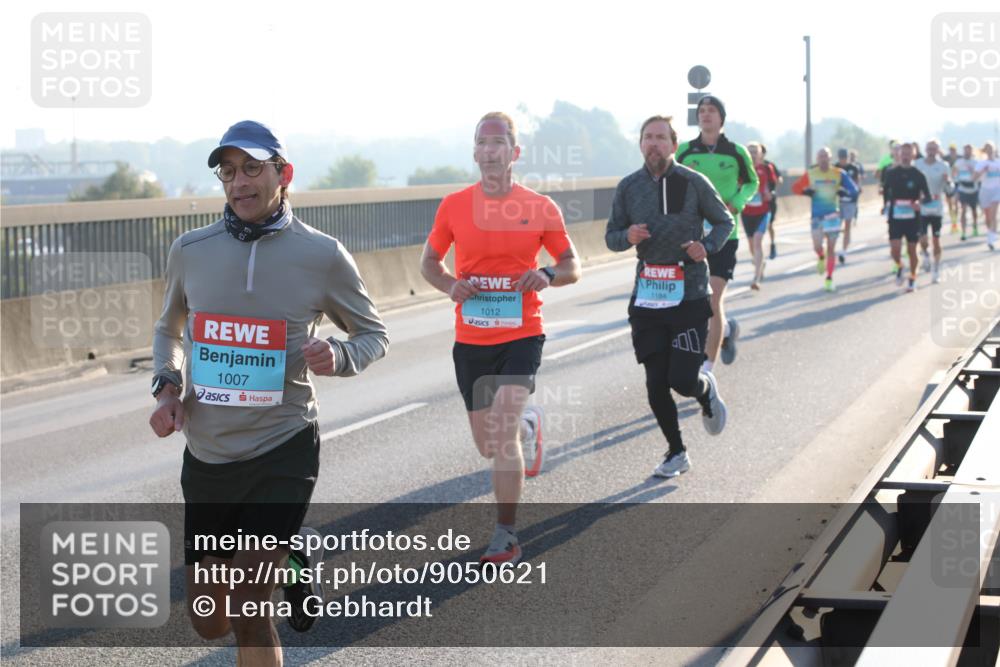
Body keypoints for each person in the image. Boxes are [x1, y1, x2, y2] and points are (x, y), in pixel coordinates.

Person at [150, 120, 389, 665]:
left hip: (283, 446)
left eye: (252, 168)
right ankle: (294, 557)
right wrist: (167, 387)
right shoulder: (191, 250)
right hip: (209, 455)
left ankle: (279, 556)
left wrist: (339, 356)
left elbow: (374, 334)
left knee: (248, 608)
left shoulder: (322, 254)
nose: (239, 182)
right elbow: (169, 329)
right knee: (209, 620)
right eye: (228, 171)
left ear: (284, 174)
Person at [420, 112, 581, 564]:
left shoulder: (540, 206)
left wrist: (547, 274)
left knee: (502, 434)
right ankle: (529, 425)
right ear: (475, 153)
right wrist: (451, 285)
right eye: (482, 142)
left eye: (498, 142)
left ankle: (506, 534)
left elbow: (572, 265)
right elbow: (429, 263)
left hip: (522, 333)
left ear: (515, 152)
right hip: (472, 339)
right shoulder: (454, 206)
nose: (489, 150)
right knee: (488, 445)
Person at [605, 115, 730, 478]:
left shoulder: (692, 182)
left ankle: (705, 391)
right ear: (640, 144)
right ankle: (677, 452)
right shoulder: (629, 187)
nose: (654, 143)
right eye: (648, 137)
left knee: (682, 380)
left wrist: (706, 247)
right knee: (655, 380)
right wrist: (627, 236)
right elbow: (611, 237)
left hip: (688, 295)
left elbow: (724, 222)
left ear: (674, 145)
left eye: (661, 137)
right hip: (648, 297)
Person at [676, 96, 758, 369]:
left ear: (721, 118)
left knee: (713, 299)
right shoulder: (685, 151)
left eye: (711, 110)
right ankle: (726, 331)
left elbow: (752, 182)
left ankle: (707, 369)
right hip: (692, 236)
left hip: (724, 235)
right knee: (693, 302)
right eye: (701, 111)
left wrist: (737, 201)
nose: (705, 114)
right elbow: (670, 183)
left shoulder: (736, 152)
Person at [792, 147, 859, 292]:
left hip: (833, 216)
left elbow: (854, 190)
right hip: (816, 216)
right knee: (817, 246)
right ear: (817, 159)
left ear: (830, 158)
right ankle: (821, 256)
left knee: (831, 249)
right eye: (820, 156)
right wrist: (806, 192)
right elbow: (795, 188)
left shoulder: (838, 173)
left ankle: (829, 278)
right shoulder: (811, 173)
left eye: (825, 156)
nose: (823, 159)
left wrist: (844, 192)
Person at [882, 142, 932, 292]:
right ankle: (899, 265)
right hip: (895, 217)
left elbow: (928, 196)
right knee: (895, 250)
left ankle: (913, 278)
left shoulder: (919, 175)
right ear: (899, 155)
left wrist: (919, 202)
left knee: (912, 250)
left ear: (913, 155)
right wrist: (885, 205)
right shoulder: (891, 173)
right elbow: (885, 192)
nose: (905, 156)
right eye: (903, 153)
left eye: (908, 154)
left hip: (913, 218)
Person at [913, 139, 951, 282]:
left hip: (936, 206)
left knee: (936, 240)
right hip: (922, 206)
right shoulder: (917, 164)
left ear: (938, 150)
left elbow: (949, 189)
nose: (931, 151)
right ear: (925, 149)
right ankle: (925, 254)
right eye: (929, 148)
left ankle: (936, 269)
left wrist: (948, 182)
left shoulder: (943, 166)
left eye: (934, 149)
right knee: (922, 239)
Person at [743, 142, 775, 289]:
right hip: (747, 212)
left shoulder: (766, 168)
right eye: (750, 151)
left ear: (761, 154)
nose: (753, 154)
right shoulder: (742, 169)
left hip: (763, 211)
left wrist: (770, 194)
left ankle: (756, 279)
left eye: (755, 151)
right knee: (751, 245)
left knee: (757, 240)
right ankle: (760, 263)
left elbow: (773, 187)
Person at [835, 148, 862, 264]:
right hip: (837, 202)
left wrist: (852, 193)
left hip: (850, 202)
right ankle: (831, 249)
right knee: (834, 227)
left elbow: (856, 184)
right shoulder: (835, 168)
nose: (843, 160)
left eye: (844, 158)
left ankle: (844, 251)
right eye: (841, 158)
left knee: (847, 226)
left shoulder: (853, 168)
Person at [974, 141, 1000, 251]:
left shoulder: (998, 162)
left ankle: (991, 239)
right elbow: (974, 178)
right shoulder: (981, 163)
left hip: (997, 191)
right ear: (985, 151)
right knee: (988, 216)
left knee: (994, 214)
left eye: (991, 148)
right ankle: (990, 233)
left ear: (994, 150)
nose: (989, 150)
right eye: (987, 148)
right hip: (985, 191)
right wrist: (983, 171)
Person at [954, 143, 981, 241]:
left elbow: (979, 176)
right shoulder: (959, 162)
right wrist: (956, 185)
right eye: (966, 150)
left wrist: (972, 171)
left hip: (973, 189)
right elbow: (954, 173)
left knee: (974, 211)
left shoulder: (975, 162)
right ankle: (963, 232)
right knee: (963, 210)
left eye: (969, 150)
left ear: (971, 151)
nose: (967, 152)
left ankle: (975, 227)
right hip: (963, 189)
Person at [762, 144, 783, 259]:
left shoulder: (769, 165)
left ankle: (772, 244)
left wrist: (773, 188)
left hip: (769, 200)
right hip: (754, 202)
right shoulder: (749, 165)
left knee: (769, 224)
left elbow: (779, 178)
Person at [943, 143, 960, 231]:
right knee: (949, 203)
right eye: (951, 150)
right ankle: (953, 220)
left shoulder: (960, 158)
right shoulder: (945, 159)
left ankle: (955, 221)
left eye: (953, 150)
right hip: (948, 184)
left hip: (957, 183)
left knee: (956, 203)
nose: (952, 151)